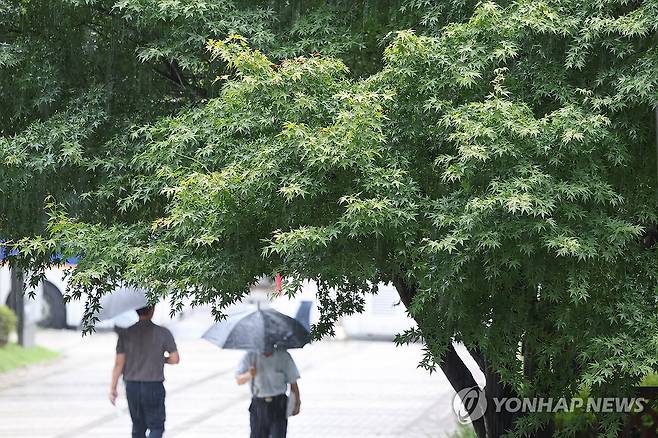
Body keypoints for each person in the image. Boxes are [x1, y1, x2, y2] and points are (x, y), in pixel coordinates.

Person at [109, 305, 180, 438]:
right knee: (156, 426)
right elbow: (175, 359)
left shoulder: (126, 334)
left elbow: (119, 363)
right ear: (152, 310)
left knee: (138, 427)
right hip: (153, 385)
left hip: (132, 386)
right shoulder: (163, 333)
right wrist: (160, 359)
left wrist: (113, 388)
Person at [236, 349, 301, 438]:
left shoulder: (283, 356)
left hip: (279, 404)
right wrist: (249, 374)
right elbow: (239, 380)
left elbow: (293, 381)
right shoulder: (251, 356)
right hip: (259, 405)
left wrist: (297, 403)